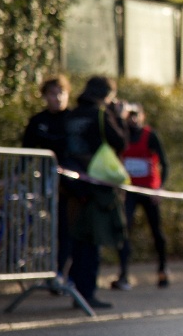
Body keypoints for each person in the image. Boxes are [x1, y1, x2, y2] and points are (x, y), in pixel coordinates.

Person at [60, 76, 129, 309]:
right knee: (92, 242)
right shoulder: (100, 114)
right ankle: (86, 294)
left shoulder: (72, 115)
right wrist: (119, 117)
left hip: (72, 184)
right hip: (96, 185)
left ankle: (76, 291)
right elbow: (120, 142)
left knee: (77, 241)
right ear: (105, 95)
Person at [113, 104, 170, 290]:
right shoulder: (121, 135)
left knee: (156, 230)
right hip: (129, 191)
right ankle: (123, 274)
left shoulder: (150, 135)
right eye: (130, 115)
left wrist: (159, 188)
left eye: (136, 115)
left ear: (142, 116)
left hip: (149, 191)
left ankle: (163, 270)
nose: (133, 118)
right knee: (124, 230)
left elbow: (165, 164)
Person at [22, 75, 72, 285]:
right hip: (48, 184)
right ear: (45, 96)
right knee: (51, 228)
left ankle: (62, 273)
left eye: (61, 93)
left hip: (72, 186)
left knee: (67, 229)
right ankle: (50, 271)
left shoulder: (73, 119)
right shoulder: (38, 121)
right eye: (52, 93)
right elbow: (26, 154)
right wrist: (14, 176)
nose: (57, 98)